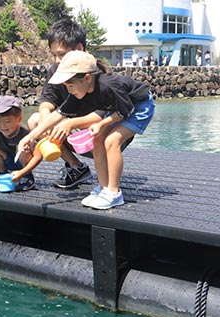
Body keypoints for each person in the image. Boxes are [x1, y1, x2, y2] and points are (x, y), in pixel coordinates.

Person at [20, 50, 154, 209]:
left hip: (139, 107)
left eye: (70, 85)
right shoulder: (79, 92)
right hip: (119, 109)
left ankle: (114, 192)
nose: (68, 90)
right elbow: (58, 114)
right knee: (96, 140)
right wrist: (31, 136)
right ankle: (104, 188)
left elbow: (125, 111)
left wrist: (101, 124)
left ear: (87, 78)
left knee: (112, 141)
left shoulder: (109, 85)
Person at [26, 17, 94, 189]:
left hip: (100, 129)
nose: (57, 60)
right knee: (35, 120)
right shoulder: (55, 70)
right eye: (54, 54)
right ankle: (76, 167)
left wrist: (70, 124)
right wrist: (44, 119)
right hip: (75, 132)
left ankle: (109, 184)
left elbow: (107, 114)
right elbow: (46, 101)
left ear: (79, 48)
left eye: (62, 55)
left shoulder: (94, 70)